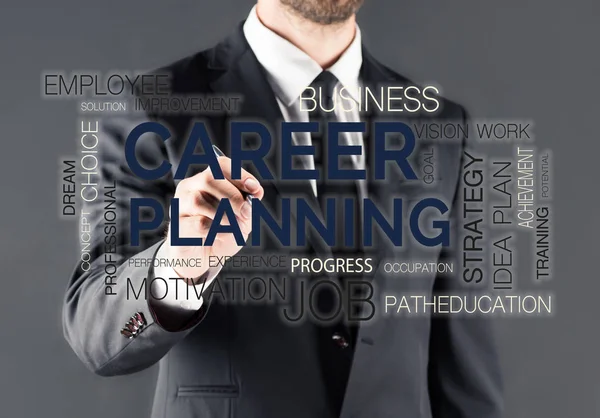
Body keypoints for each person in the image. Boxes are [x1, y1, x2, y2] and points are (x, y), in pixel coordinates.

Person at [63, 0, 504, 417]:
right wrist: (177, 267)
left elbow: (464, 366)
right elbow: (95, 331)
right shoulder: (150, 108)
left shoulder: (438, 126)